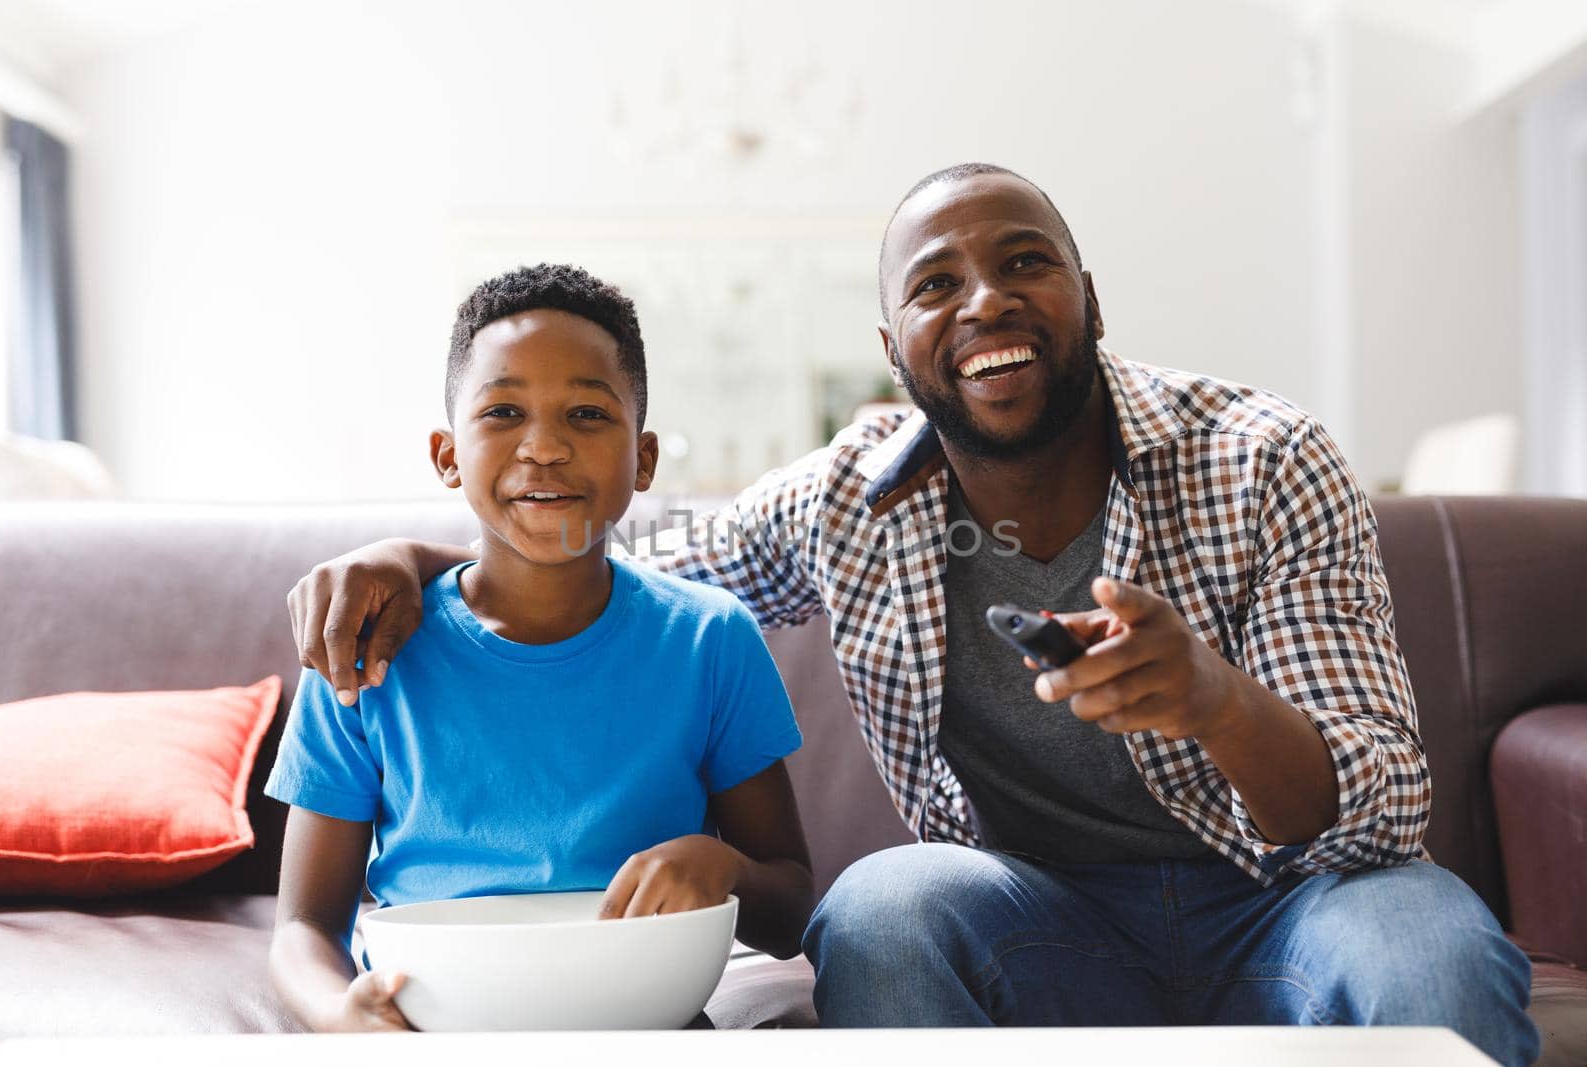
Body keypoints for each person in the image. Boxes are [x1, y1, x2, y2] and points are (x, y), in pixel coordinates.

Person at [285, 166, 1538, 1063]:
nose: (985, 300)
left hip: (1297, 900)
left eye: (1024, 263)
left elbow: (1380, 803)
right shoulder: (852, 496)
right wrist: (427, 557)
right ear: (896, 347)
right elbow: (626, 559)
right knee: (880, 910)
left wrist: (1213, 698)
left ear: (1089, 298)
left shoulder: (1263, 457)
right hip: (1039, 915)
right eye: (937, 283)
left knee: (1434, 955)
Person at [266, 263, 812, 1033]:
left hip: (647, 1023)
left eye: (587, 413)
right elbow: (302, 926)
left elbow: (790, 908)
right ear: (447, 454)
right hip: (434, 1030)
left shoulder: (708, 638)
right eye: (503, 412)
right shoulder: (364, 645)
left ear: (644, 457)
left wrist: (722, 868)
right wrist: (336, 1013)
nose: (545, 446)